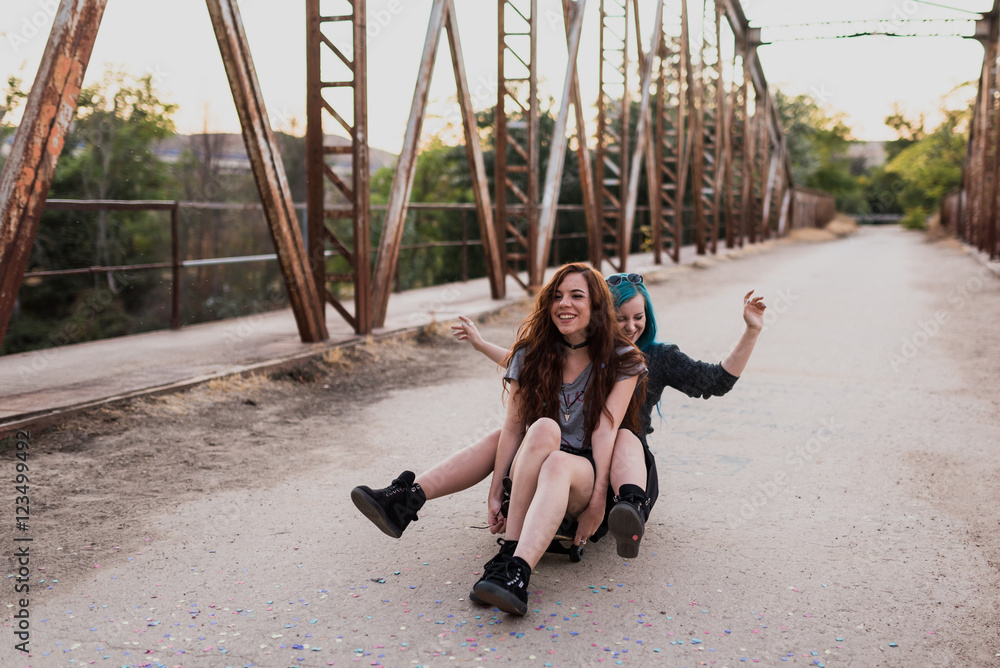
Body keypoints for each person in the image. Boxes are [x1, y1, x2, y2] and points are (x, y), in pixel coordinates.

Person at [351, 272, 765, 559]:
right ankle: (406, 498)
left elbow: (717, 381)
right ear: (601, 316)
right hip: (563, 458)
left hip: (613, 472)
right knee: (505, 436)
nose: (632, 327)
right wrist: (481, 345)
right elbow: (523, 362)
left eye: (639, 318)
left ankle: (629, 508)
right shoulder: (573, 348)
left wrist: (750, 330)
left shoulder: (655, 357)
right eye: (621, 319)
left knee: (623, 434)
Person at [468, 262, 646, 614]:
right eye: (557, 296)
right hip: (532, 469)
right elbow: (514, 425)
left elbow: (606, 429)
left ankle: (518, 573)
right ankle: (510, 555)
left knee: (561, 462)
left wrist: (598, 503)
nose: (564, 303)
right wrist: (495, 491)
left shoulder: (624, 357)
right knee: (544, 428)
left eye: (576, 296)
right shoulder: (536, 352)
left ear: (597, 305)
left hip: (581, 477)